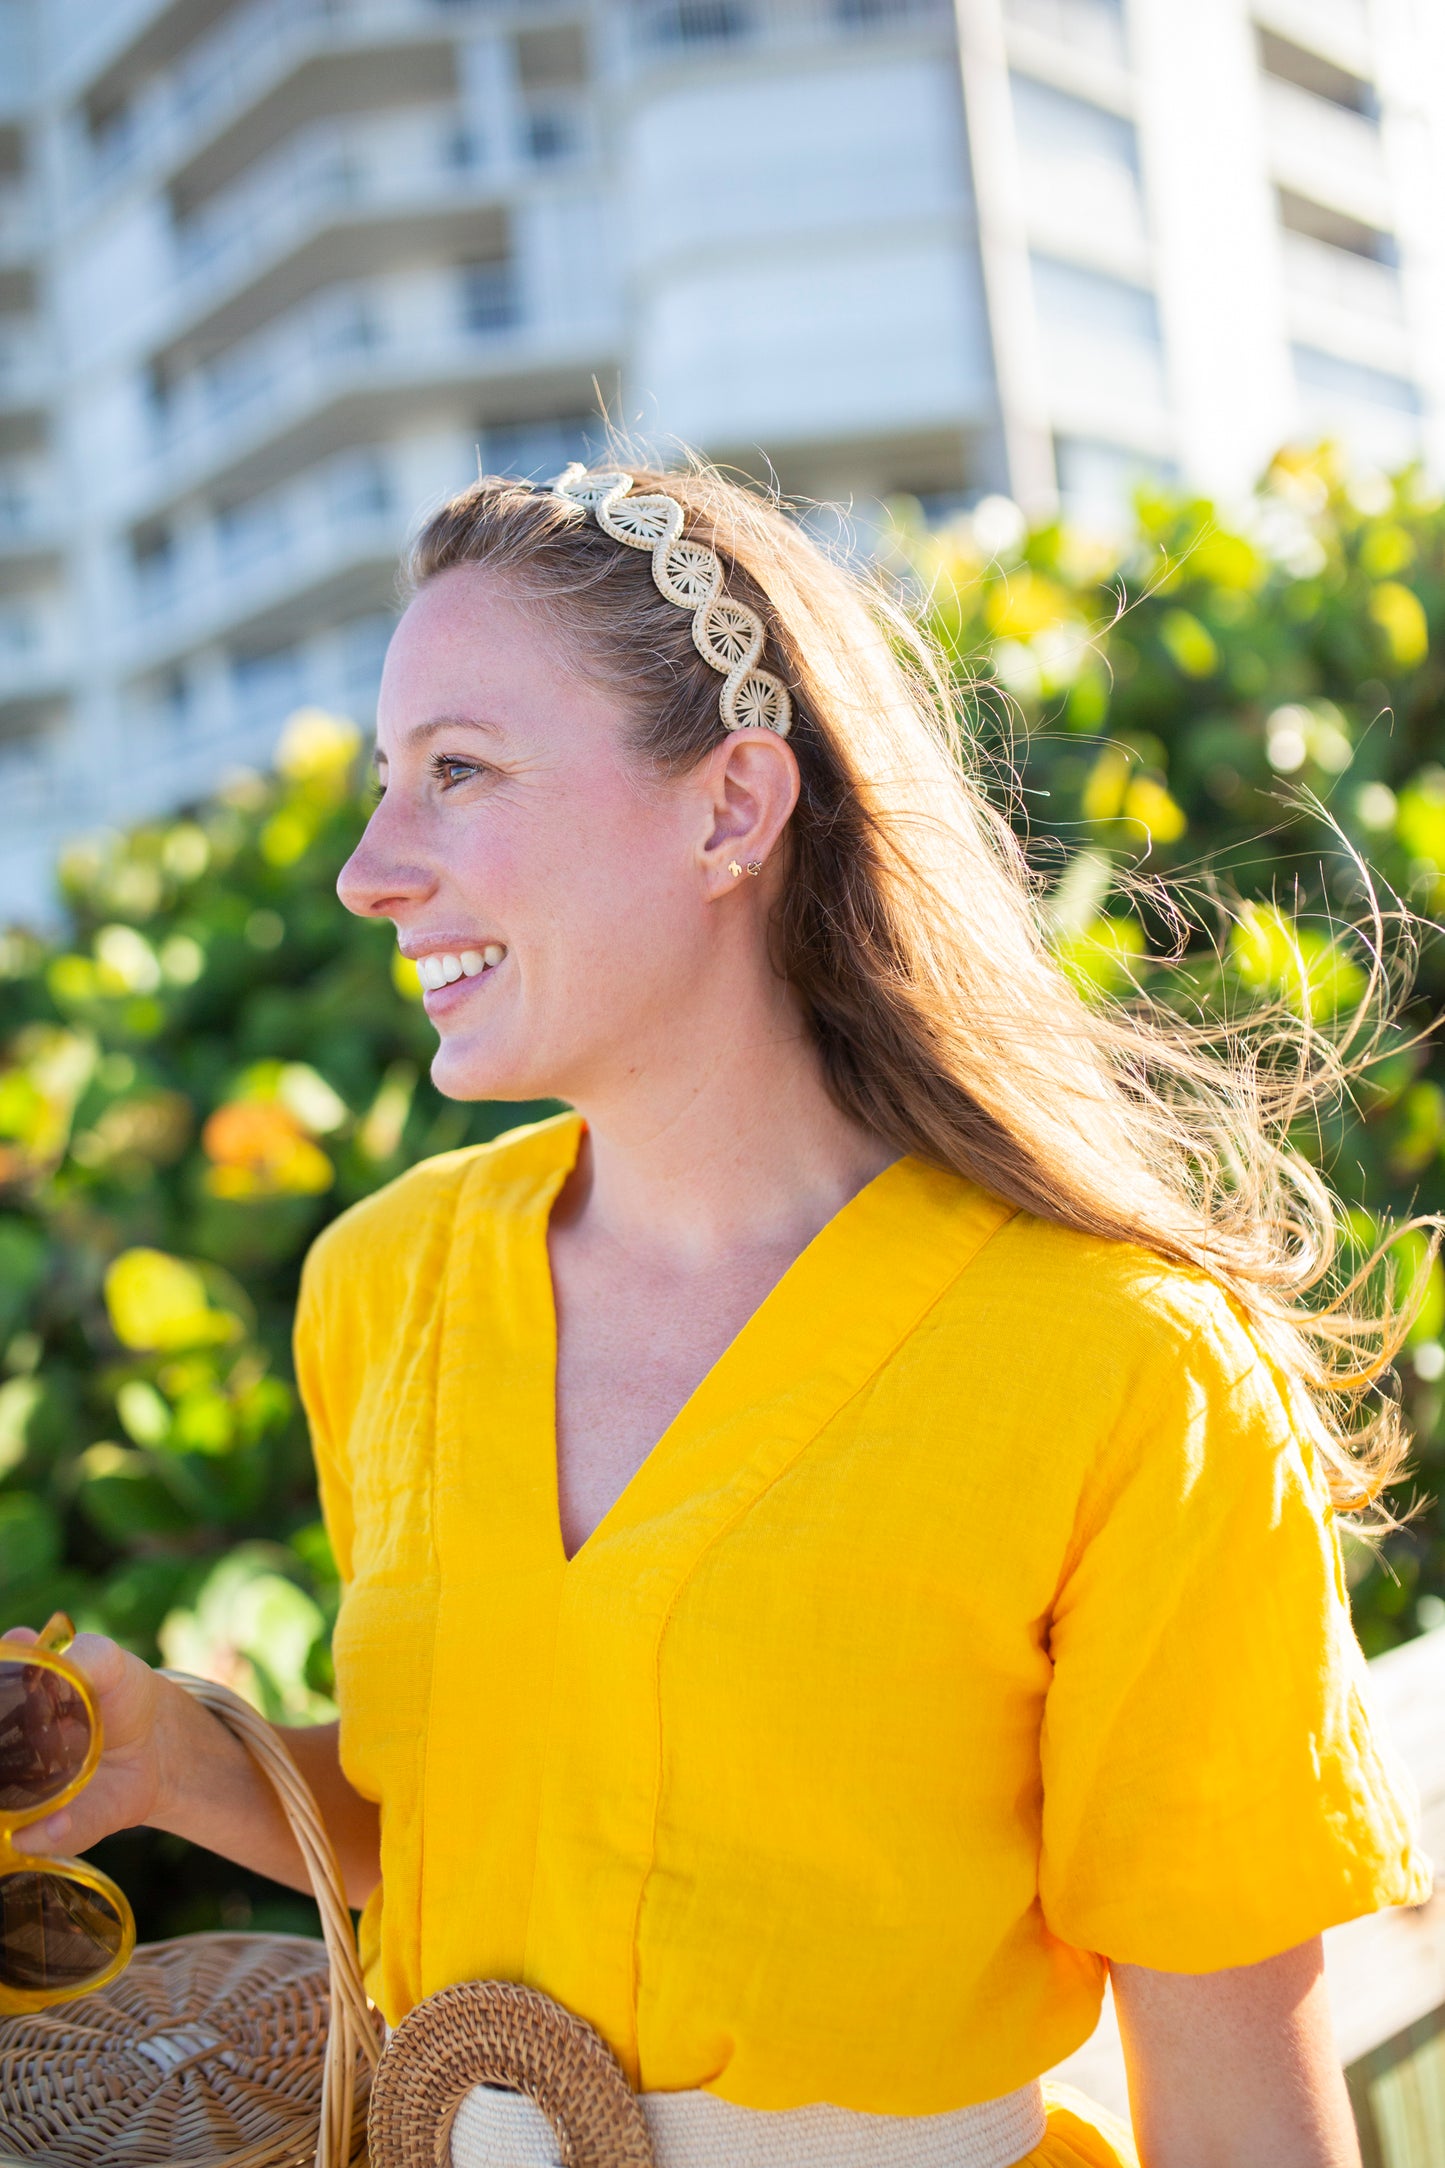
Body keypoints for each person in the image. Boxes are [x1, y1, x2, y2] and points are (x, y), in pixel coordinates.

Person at [11, 460, 1430, 2167]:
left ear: (730, 806)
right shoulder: (381, 1285)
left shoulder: (1130, 1364)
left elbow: (1234, 2098)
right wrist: (174, 1759)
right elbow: (504, 1817)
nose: (371, 872)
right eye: (387, 785)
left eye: (458, 772)